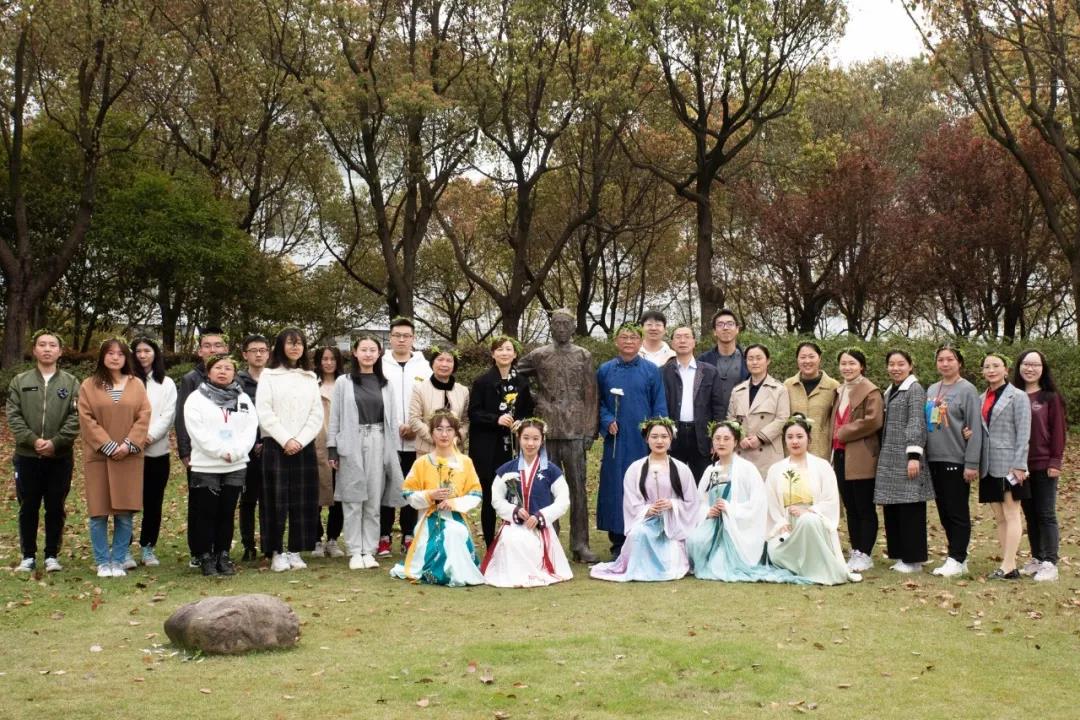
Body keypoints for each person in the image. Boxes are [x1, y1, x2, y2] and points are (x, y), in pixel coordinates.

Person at [517, 309, 600, 563]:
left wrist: (590, 430)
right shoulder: (539, 355)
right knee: (545, 487)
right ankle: (548, 539)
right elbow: (516, 374)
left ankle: (580, 544)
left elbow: (591, 394)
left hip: (575, 431)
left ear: (574, 327)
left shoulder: (583, 355)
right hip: (547, 431)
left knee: (578, 489)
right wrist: (534, 398)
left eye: (566, 324)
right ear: (551, 327)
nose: (562, 328)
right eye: (557, 324)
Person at [687, 421, 807, 584]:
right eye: (717, 439)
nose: (721, 443)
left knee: (719, 564)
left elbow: (758, 503)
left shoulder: (747, 468)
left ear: (735, 442)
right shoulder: (710, 470)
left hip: (737, 527)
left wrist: (729, 508)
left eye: (726, 439)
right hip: (713, 524)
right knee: (694, 542)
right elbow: (700, 501)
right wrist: (708, 512)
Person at [590, 417, 702, 582]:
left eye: (664, 436)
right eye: (654, 436)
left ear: (671, 439)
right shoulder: (635, 469)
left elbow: (692, 502)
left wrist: (672, 504)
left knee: (672, 554)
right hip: (646, 521)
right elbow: (631, 503)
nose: (659, 441)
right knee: (638, 534)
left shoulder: (681, 469)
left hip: (673, 525)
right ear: (646, 439)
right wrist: (648, 509)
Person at [327, 336, 403, 571]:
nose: (368, 354)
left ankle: (368, 550)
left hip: (379, 440)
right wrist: (333, 449)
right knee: (352, 497)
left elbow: (392, 421)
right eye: (364, 350)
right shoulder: (344, 382)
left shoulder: (386, 384)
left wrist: (393, 451)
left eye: (373, 350)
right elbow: (335, 417)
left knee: (373, 498)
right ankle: (354, 551)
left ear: (379, 354)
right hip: (352, 441)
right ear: (355, 353)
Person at [7, 330, 80, 574]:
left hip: (59, 457)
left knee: (55, 506)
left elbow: (76, 417)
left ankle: (51, 555)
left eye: (52, 345)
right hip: (27, 457)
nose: (47, 349)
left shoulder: (71, 383)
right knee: (28, 506)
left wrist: (55, 442)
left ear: (60, 351)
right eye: (42, 345)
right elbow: (13, 416)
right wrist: (33, 440)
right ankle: (28, 555)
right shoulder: (20, 381)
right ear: (34, 350)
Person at [77, 339, 151, 578]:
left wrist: (128, 445)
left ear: (126, 358)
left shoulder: (136, 384)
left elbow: (144, 416)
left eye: (120, 353)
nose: (115, 357)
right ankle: (102, 561)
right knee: (98, 513)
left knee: (124, 513)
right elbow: (86, 418)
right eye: (110, 353)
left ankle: (118, 560)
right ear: (102, 356)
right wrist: (108, 445)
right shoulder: (89, 385)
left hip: (128, 457)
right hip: (99, 456)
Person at [596, 324, 667, 558]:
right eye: (624, 337)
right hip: (617, 440)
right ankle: (618, 541)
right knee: (616, 487)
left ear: (640, 341)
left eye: (634, 337)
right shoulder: (605, 370)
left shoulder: (651, 370)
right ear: (616, 341)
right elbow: (597, 402)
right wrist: (607, 420)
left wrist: (657, 434)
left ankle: (645, 536)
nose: (628, 341)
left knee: (643, 484)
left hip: (642, 441)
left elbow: (659, 404)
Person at [390, 411, 485, 586]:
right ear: (432, 433)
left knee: (455, 531)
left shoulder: (465, 462)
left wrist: (453, 503)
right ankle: (441, 572)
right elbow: (408, 493)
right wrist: (429, 495)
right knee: (450, 533)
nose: (444, 434)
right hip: (429, 518)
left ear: (455, 433)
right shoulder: (422, 463)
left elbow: (475, 494)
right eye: (439, 429)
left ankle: (455, 572)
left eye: (449, 429)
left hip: (456, 518)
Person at [256, 328, 324, 572]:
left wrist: (300, 440)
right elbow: (264, 412)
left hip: (303, 446)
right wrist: (286, 439)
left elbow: (316, 413)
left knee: (303, 500)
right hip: (276, 446)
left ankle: (296, 550)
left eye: (299, 343)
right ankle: (276, 551)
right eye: (290, 343)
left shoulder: (309, 377)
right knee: (275, 500)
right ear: (280, 346)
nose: (295, 347)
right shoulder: (269, 376)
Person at [184, 355, 258, 576]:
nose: (223, 371)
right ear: (209, 372)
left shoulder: (242, 398)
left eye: (228, 368)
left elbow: (250, 428)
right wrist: (220, 451)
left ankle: (222, 554)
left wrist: (237, 452)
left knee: (227, 513)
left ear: (234, 373)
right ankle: (205, 556)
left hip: (235, 464)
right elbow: (197, 432)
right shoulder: (196, 399)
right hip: (206, 465)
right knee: (206, 513)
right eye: (218, 367)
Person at [765, 415, 861, 585]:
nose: (795, 441)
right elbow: (770, 504)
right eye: (790, 437)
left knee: (807, 521)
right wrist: (780, 524)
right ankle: (798, 562)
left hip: (814, 522)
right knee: (775, 552)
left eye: (799, 436)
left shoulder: (822, 466)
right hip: (787, 527)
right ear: (784, 440)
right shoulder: (775, 469)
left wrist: (808, 511)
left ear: (808, 439)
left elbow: (830, 500)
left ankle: (816, 568)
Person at [481, 418, 573, 587]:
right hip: (513, 525)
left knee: (531, 545)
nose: (530, 443)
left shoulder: (551, 471)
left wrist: (541, 516)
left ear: (542, 440)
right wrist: (513, 511)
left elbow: (563, 500)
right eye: (526, 438)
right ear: (518, 438)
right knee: (512, 541)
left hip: (539, 528)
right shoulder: (506, 469)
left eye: (535, 438)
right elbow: (496, 499)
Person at [468, 335, 534, 546]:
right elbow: (473, 413)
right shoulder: (482, 382)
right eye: (500, 349)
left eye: (508, 349)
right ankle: (490, 544)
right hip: (487, 447)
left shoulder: (521, 382)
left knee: (514, 494)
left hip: (512, 447)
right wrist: (495, 419)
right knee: (490, 496)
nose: (504, 353)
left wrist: (520, 423)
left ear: (514, 354)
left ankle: (513, 542)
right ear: (493, 354)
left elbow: (528, 411)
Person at [874, 350, 935, 573]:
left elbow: (916, 422)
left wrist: (914, 456)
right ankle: (900, 555)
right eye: (891, 364)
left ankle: (913, 559)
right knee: (893, 507)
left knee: (910, 507)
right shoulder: (890, 390)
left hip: (907, 456)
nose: (896, 368)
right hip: (890, 457)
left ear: (910, 366)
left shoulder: (915, 390)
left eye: (901, 364)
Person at [925, 345, 982, 577]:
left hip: (956, 458)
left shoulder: (967, 390)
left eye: (950, 359)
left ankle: (958, 558)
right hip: (934, 458)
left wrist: (972, 463)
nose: (945, 364)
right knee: (944, 511)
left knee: (957, 511)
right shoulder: (932, 389)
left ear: (959, 363)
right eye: (941, 359)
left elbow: (975, 427)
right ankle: (956, 555)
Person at [175, 327, 229, 567]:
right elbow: (181, 417)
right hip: (199, 453)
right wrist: (184, 450)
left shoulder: (231, 376)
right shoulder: (191, 379)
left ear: (226, 349)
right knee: (199, 503)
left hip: (227, 452)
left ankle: (220, 549)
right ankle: (198, 551)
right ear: (199, 351)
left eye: (218, 345)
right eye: (207, 346)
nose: (212, 350)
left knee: (223, 502)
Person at [379, 317, 431, 557]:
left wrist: (414, 426)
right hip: (386, 439)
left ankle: (409, 534)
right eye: (397, 335)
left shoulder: (424, 367)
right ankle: (384, 536)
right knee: (386, 488)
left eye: (406, 336)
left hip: (414, 440)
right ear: (390, 338)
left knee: (412, 488)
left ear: (413, 339)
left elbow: (430, 402)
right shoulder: (380, 365)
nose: (401, 340)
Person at [1014, 350, 1066, 582]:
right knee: (1030, 515)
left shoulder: (1050, 397)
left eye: (1035, 364)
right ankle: (1037, 558)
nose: (1030, 368)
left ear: (1043, 369)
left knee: (1045, 513)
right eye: (1026, 364)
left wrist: (1055, 461)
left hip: (1044, 464)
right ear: (1019, 367)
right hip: (1020, 466)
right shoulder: (1014, 395)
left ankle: (1050, 562)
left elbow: (1058, 432)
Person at [978, 353, 1031, 580]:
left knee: (1011, 514)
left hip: (1009, 465)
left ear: (1006, 370)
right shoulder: (981, 398)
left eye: (996, 366)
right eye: (987, 366)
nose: (991, 370)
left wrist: (1019, 465)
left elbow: (1024, 433)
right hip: (988, 465)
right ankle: (1009, 564)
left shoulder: (1018, 396)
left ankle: (1008, 566)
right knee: (999, 517)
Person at [831, 348, 883, 574]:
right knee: (850, 505)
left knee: (864, 506)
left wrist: (843, 432)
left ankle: (865, 553)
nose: (847, 367)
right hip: (840, 454)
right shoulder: (839, 390)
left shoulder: (871, 390)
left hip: (861, 455)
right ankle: (856, 549)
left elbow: (873, 421)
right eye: (843, 363)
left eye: (852, 363)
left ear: (861, 366)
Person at [130, 337, 176, 568]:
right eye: (138, 351)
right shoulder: (126, 380)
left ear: (155, 353)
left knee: (153, 502)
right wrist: (134, 439)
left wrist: (148, 437)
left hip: (157, 452)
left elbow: (168, 415)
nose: (142, 355)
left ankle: (148, 547)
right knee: (126, 502)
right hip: (128, 452)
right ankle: (123, 548)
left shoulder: (166, 383)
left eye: (147, 350)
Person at [661, 326, 725, 480]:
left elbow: (718, 407)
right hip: (673, 434)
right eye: (678, 337)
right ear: (672, 343)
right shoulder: (663, 372)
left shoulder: (709, 371)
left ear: (694, 342)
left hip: (702, 435)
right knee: (673, 480)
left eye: (687, 337)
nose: (682, 341)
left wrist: (716, 437)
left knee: (703, 481)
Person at [727, 344, 790, 477]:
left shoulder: (779, 389)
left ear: (768, 361)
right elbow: (731, 418)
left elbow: (782, 419)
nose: (754, 362)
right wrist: (740, 437)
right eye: (750, 359)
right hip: (742, 451)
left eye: (759, 358)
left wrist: (760, 438)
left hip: (768, 453)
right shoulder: (737, 391)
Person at [238, 334, 269, 561]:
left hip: (272, 447)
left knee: (270, 499)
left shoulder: (274, 379)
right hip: (245, 449)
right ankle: (248, 544)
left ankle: (269, 543)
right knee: (248, 499)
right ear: (245, 354)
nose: (258, 354)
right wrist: (251, 442)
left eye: (262, 350)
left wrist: (266, 441)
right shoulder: (237, 383)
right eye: (253, 350)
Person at [312, 345, 345, 558]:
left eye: (332, 359)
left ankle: (333, 539)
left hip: (341, 445)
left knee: (338, 495)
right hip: (316, 444)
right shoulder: (311, 384)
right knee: (315, 494)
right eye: (324, 359)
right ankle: (316, 539)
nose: (328, 363)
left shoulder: (346, 383)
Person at [783, 341, 839, 459]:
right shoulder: (788, 385)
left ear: (819, 358)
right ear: (797, 360)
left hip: (820, 451)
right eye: (803, 357)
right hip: (792, 450)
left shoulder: (833, 386)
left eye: (811, 356)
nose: (807, 361)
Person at [409, 347, 470, 454]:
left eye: (449, 360)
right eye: (440, 359)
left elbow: (466, 420)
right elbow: (414, 419)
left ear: (454, 365)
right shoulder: (420, 389)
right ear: (432, 363)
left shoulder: (463, 391)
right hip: (427, 451)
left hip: (455, 451)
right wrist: (437, 438)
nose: (444, 364)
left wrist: (458, 437)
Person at [697, 308, 749, 417]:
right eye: (720, 324)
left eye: (730, 324)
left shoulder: (747, 359)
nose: (725, 328)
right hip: (711, 421)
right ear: (714, 331)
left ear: (737, 329)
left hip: (741, 419)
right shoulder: (703, 361)